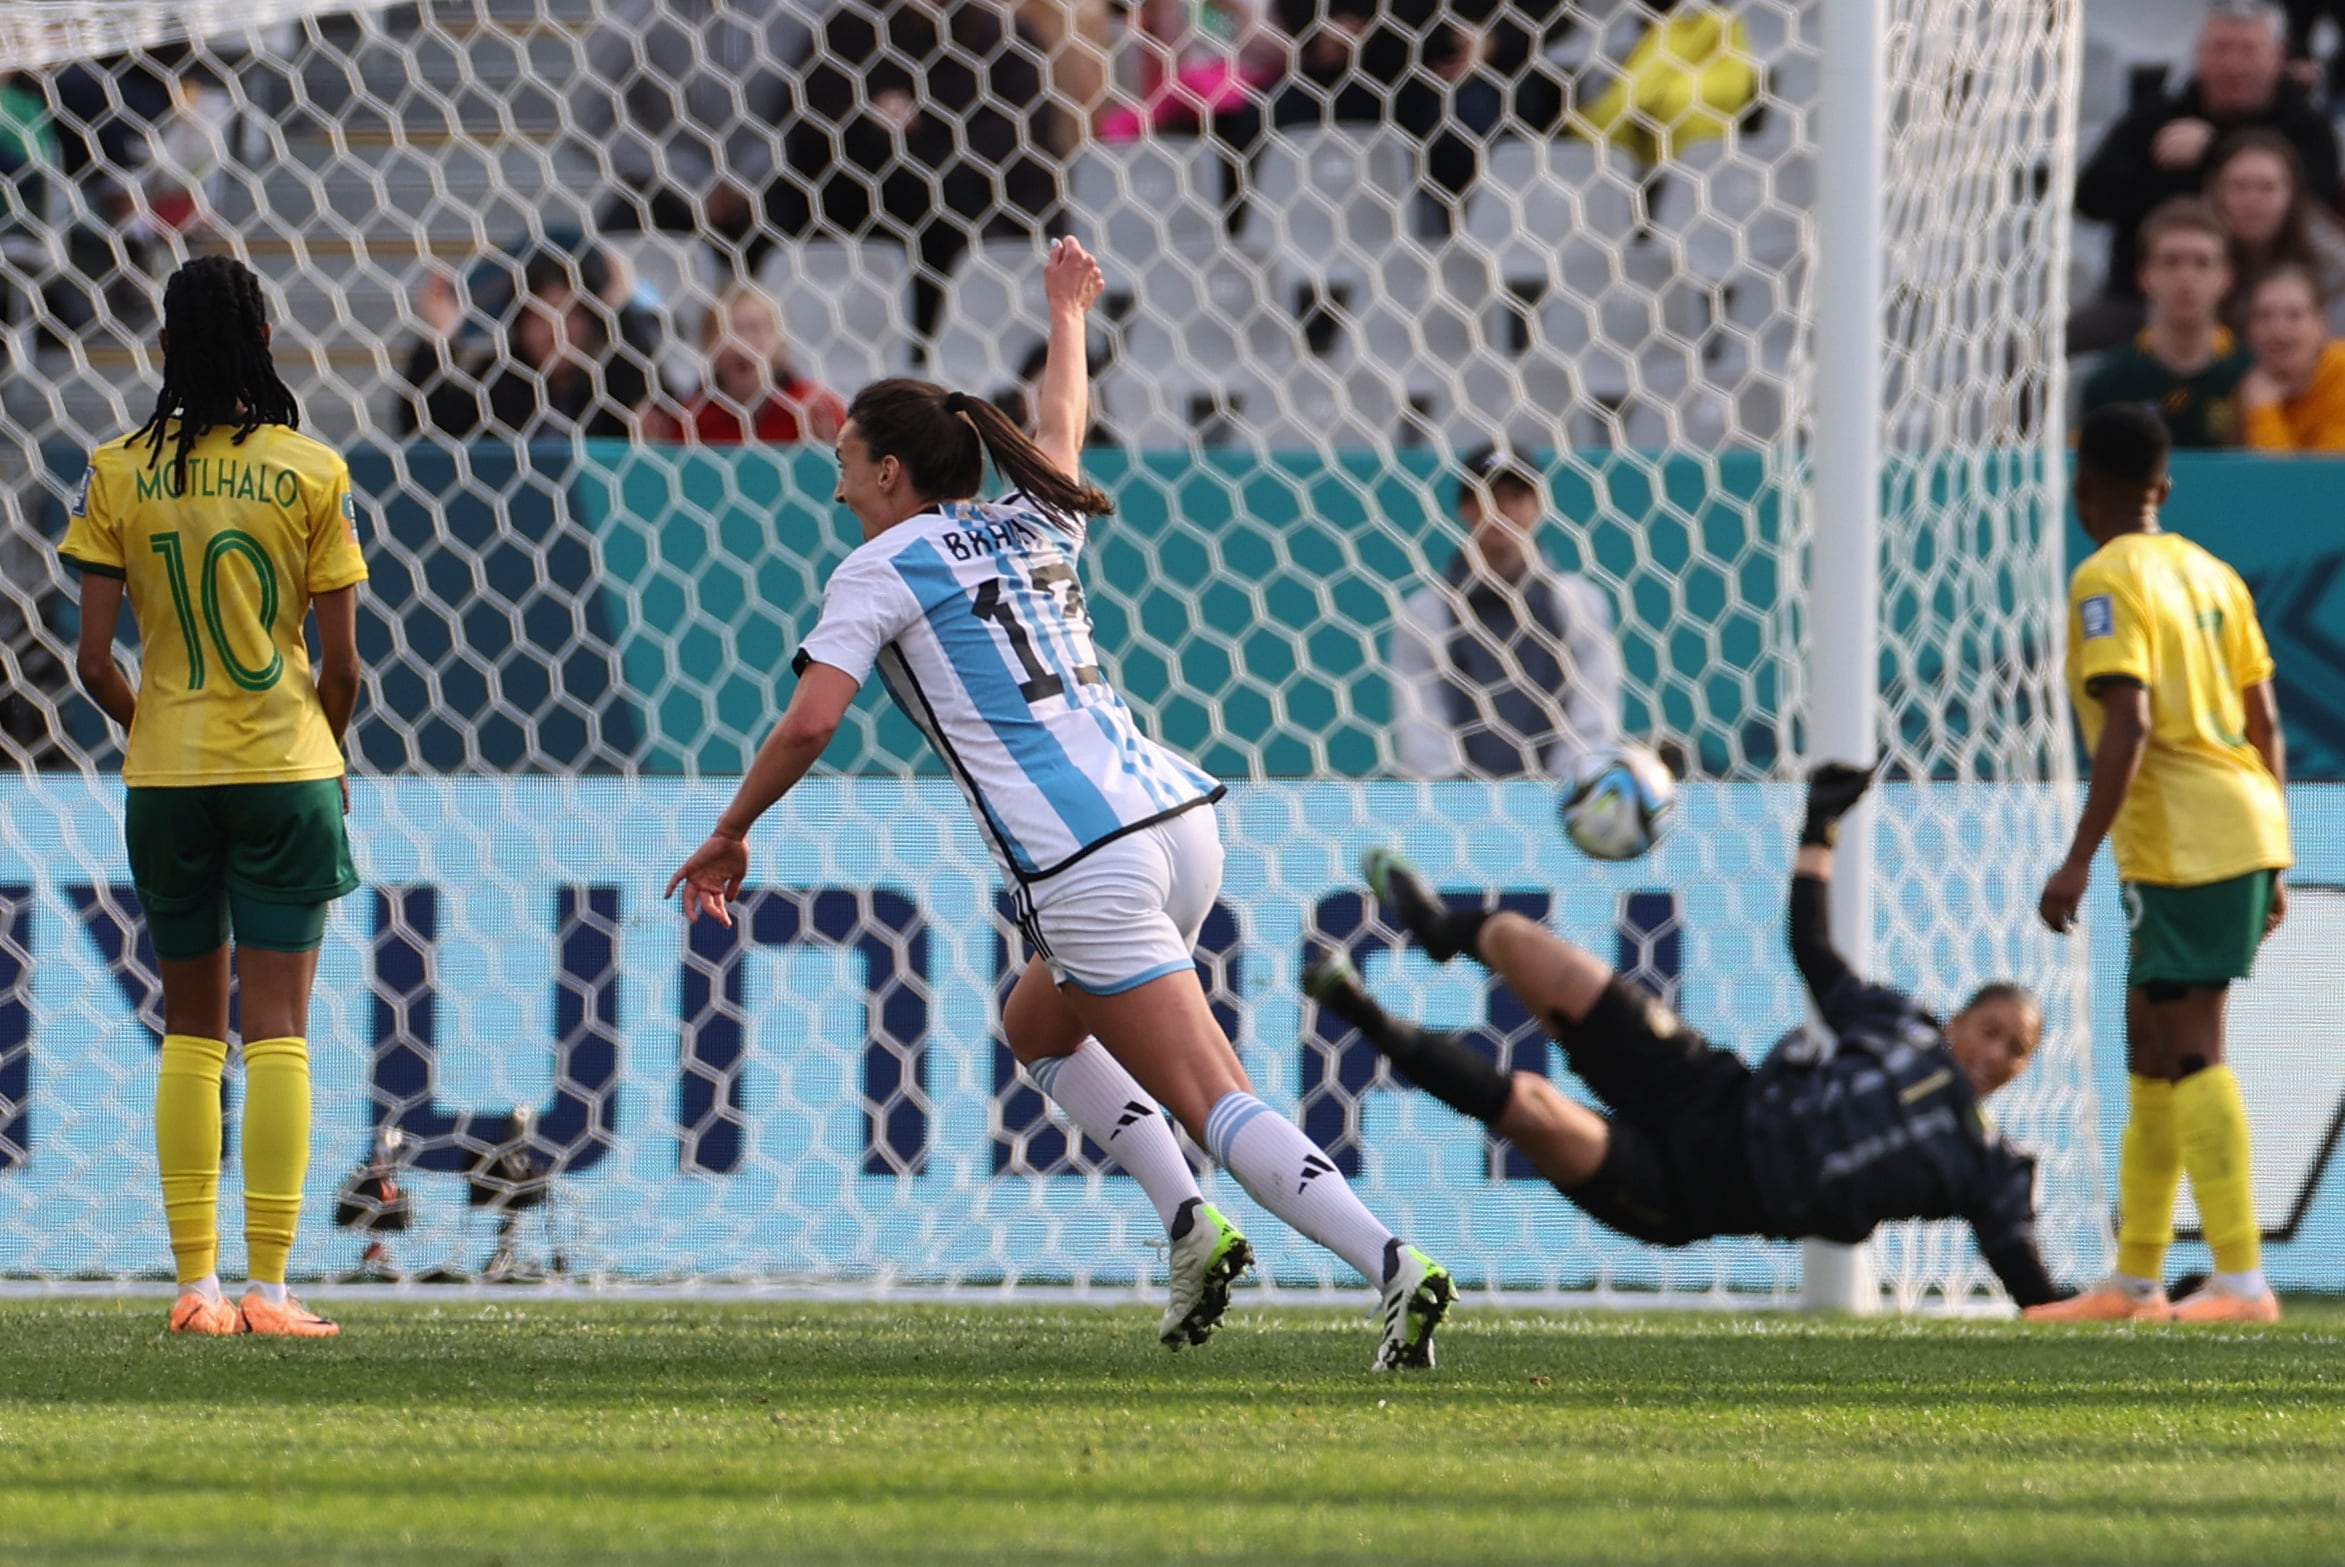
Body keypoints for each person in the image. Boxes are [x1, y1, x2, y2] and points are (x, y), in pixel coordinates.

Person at [666, 237, 1455, 1369]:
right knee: (1037, 1024)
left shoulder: (879, 566)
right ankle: (1188, 1226)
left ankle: (1392, 1265)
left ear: (890, 472)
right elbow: (1064, 429)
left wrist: (731, 829)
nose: (833, 480)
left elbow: (808, 722)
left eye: (844, 457)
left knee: (1213, 1098)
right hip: (1178, 821)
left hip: (1084, 860)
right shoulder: (1036, 519)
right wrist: (1066, 315)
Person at [1299, 764, 2062, 1310]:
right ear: (1957, 1019)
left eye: (2015, 1050)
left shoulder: (1986, 1165)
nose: (1995, 1055)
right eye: (1990, 1031)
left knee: (1530, 1106)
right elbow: (1812, 950)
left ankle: (1359, 1009)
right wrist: (1818, 825)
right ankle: (1437, 928)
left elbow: (2035, 1296)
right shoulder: (1899, 1023)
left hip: (1692, 1191)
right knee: (1517, 939)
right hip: (1709, 1085)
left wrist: (2132, 1301)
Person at [56, 255, 365, 1338]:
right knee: (278, 1029)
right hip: (286, 766)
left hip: (168, 776)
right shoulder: (312, 470)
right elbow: (346, 669)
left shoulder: (114, 470)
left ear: (166, 350)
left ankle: (194, 1286)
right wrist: (320, 747)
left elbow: (91, 658)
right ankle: (272, 1292)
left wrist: (158, 729)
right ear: (266, 341)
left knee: (190, 1032)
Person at [2031, 405, 2292, 1325]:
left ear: (2079, 488)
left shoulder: (2105, 578)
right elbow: (2263, 720)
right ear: (2166, 487)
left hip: (2185, 835)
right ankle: (2133, 1281)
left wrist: (2073, 859)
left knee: (2190, 1042)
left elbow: (2129, 722)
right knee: (2148, 1036)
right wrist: (2277, 852)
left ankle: (2240, 1281)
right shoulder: (2211, 572)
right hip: (2234, 823)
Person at [788, 0, 1064, 357]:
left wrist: (935, 150)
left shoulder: (1003, 39)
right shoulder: (853, 30)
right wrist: (867, 114)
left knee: (945, 196)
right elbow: (810, 124)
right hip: (873, 212)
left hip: (975, 214)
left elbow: (1023, 135)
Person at [2072, 0, 2340, 354]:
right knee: (2056, 346)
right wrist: (2165, 171)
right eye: (2221, 49)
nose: (2233, 65)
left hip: (2275, 306)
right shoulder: (2155, 119)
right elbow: (2091, 198)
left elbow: (2315, 200)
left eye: (2247, 51)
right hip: (2148, 303)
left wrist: (2215, 152)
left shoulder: (2306, 127)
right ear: (2198, 54)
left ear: (2278, 56)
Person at [1389, 446, 1622, 781]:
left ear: (1539, 506)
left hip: (1555, 808)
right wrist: (1457, 801)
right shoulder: (1425, 612)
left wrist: (1561, 793)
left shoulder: (1580, 603)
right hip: (1457, 813)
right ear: (1465, 508)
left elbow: (1593, 722)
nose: (1504, 509)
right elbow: (1421, 732)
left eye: (1517, 495)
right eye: (1489, 496)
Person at [564, 0, 813, 270]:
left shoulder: (806, 13)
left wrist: (751, 176)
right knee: (610, 267)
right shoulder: (639, 17)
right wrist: (685, 178)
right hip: (667, 198)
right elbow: (583, 121)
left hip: (781, 189)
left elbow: (826, 110)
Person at [394, 248, 655, 442]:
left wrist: (620, 311)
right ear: (518, 323)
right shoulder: (494, 384)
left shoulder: (609, 385)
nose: (555, 330)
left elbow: (646, 404)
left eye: (571, 314)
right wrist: (440, 339)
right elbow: (425, 433)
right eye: (539, 317)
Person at [2078, 199, 2252, 449]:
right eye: (2170, 262)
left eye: (2201, 263)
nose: (2186, 278)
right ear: (2145, 276)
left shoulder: (2251, 375)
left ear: (2226, 278)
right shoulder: (2109, 384)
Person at [645, 282, 847, 446]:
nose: (743, 344)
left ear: (781, 341)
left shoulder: (815, 408)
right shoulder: (690, 418)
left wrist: (828, 450)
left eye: (756, 328)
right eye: (730, 331)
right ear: (707, 344)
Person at [2205, 129, 2345, 334]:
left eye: (2267, 187)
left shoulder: (2332, 263)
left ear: (2292, 195)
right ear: (2216, 193)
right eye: (2239, 186)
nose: (2252, 201)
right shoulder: (2190, 250)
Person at [2240, 262, 2345, 448]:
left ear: (2321, 326)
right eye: (2264, 316)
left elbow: (2324, 475)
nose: (2278, 332)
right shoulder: (2241, 375)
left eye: (2294, 316)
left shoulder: (2340, 373)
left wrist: (2263, 413)